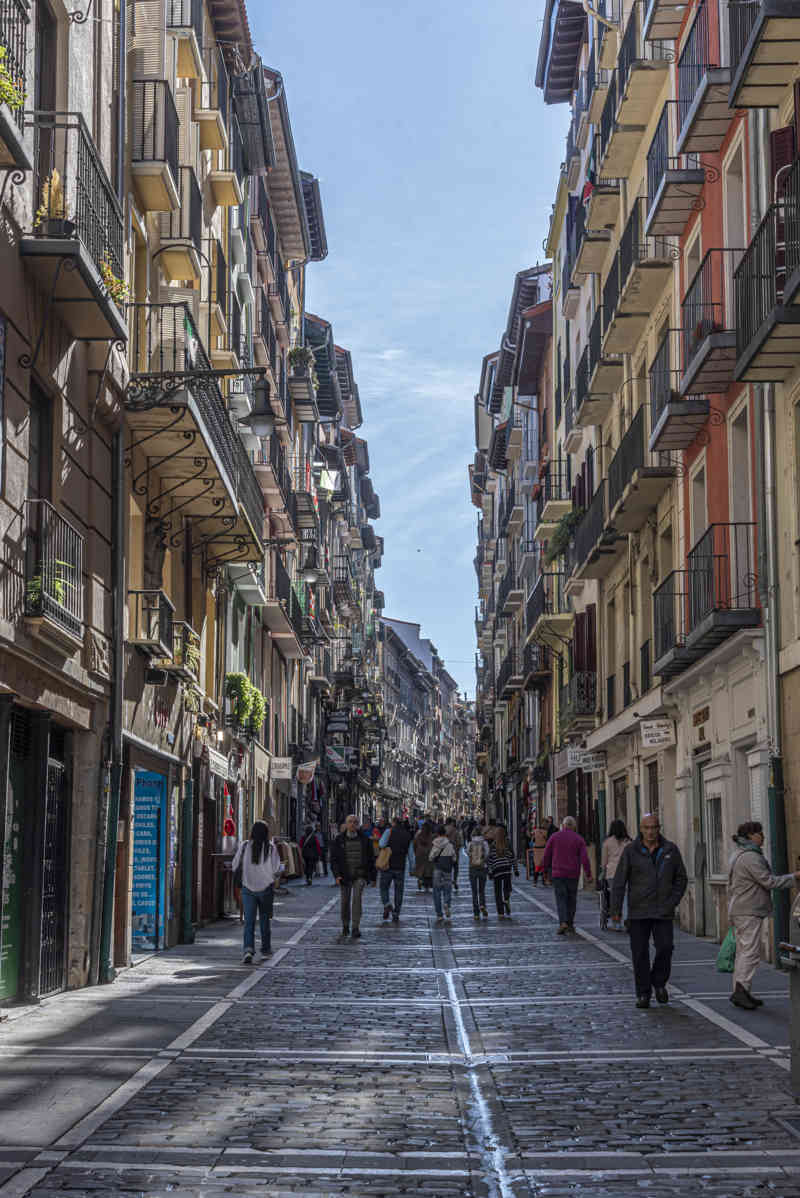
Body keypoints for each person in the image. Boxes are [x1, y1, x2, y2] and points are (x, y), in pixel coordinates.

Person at [612, 812, 687, 1009]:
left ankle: (659, 981)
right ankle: (643, 993)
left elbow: (681, 879)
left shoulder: (671, 849)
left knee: (665, 947)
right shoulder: (631, 851)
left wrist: (672, 901)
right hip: (638, 911)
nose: (651, 832)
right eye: (647, 828)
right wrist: (616, 909)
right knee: (639, 953)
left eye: (654, 827)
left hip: (663, 910)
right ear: (640, 829)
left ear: (659, 828)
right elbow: (620, 881)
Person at [728, 820, 800, 1010]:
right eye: (759, 833)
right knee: (750, 953)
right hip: (748, 909)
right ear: (750, 836)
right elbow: (769, 882)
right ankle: (741, 990)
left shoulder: (739, 854)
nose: (763, 836)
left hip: (742, 909)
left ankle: (742, 989)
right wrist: (794, 878)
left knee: (743, 952)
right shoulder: (750, 857)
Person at [231, 821, 283, 964]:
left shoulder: (244, 846)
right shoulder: (271, 848)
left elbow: (235, 865)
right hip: (266, 889)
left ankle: (248, 950)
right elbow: (276, 869)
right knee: (265, 920)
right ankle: (265, 950)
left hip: (248, 888)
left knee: (249, 921)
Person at [541, 815, 593, 934]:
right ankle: (569, 923)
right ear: (574, 827)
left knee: (561, 898)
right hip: (573, 874)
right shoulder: (579, 839)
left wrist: (543, 869)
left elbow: (547, 854)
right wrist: (588, 874)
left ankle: (563, 922)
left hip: (558, 873)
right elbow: (584, 858)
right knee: (571, 899)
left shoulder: (554, 837)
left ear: (563, 825)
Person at [330, 813, 377, 941]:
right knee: (345, 902)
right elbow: (333, 860)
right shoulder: (339, 840)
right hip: (344, 876)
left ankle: (355, 927)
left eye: (355, 822)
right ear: (346, 824)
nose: (352, 824)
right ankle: (345, 925)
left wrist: (373, 877)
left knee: (357, 900)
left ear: (358, 824)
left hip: (359, 875)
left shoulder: (365, 840)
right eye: (350, 822)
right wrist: (337, 875)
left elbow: (371, 859)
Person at [378, 816, 413, 923]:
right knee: (399, 891)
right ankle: (396, 913)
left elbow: (381, 844)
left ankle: (387, 904)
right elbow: (411, 854)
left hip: (387, 865)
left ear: (393, 823)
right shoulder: (407, 834)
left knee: (384, 887)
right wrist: (412, 867)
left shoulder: (389, 831)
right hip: (400, 867)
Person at [601, 819, 631, 930]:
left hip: (612, 873)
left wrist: (603, 873)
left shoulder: (607, 842)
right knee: (626, 897)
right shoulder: (629, 842)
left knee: (615, 898)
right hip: (626, 872)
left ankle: (616, 921)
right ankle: (627, 920)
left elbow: (604, 861)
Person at [488, 824, 519, 918]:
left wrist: (490, 871)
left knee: (497, 891)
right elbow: (512, 857)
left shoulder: (493, 845)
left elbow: (491, 859)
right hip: (506, 868)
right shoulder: (508, 843)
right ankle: (506, 899)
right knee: (507, 887)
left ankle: (500, 912)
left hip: (497, 869)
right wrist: (515, 869)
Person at [430, 824, 456, 923]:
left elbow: (431, 857)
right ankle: (446, 903)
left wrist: (434, 858)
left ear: (437, 834)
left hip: (437, 868)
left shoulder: (435, 844)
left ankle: (439, 914)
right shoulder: (449, 844)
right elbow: (454, 857)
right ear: (445, 834)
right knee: (447, 888)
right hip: (447, 868)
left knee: (436, 891)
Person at [468, 824, 490, 919]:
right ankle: (482, 905)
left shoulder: (470, 843)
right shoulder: (484, 843)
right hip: (482, 867)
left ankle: (476, 913)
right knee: (481, 890)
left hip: (473, 868)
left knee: (474, 891)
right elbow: (487, 854)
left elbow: (468, 853)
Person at [414, 820, 435, 892]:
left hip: (420, 853)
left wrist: (416, 852)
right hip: (428, 853)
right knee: (428, 871)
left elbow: (414, 844)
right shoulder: (431, 835)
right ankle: (426, 885)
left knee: (420, 869)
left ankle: (420, 880)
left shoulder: (418, 835)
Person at [445, 817, 463, 890]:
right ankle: (455, 880)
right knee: (455, 867)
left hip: (445, 852)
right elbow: (459, 842)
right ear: (452, 822)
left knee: (446, 868)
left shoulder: (443, 829)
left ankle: (447, 881)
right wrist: (457, 849)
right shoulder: (456, 831)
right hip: (454, 852)